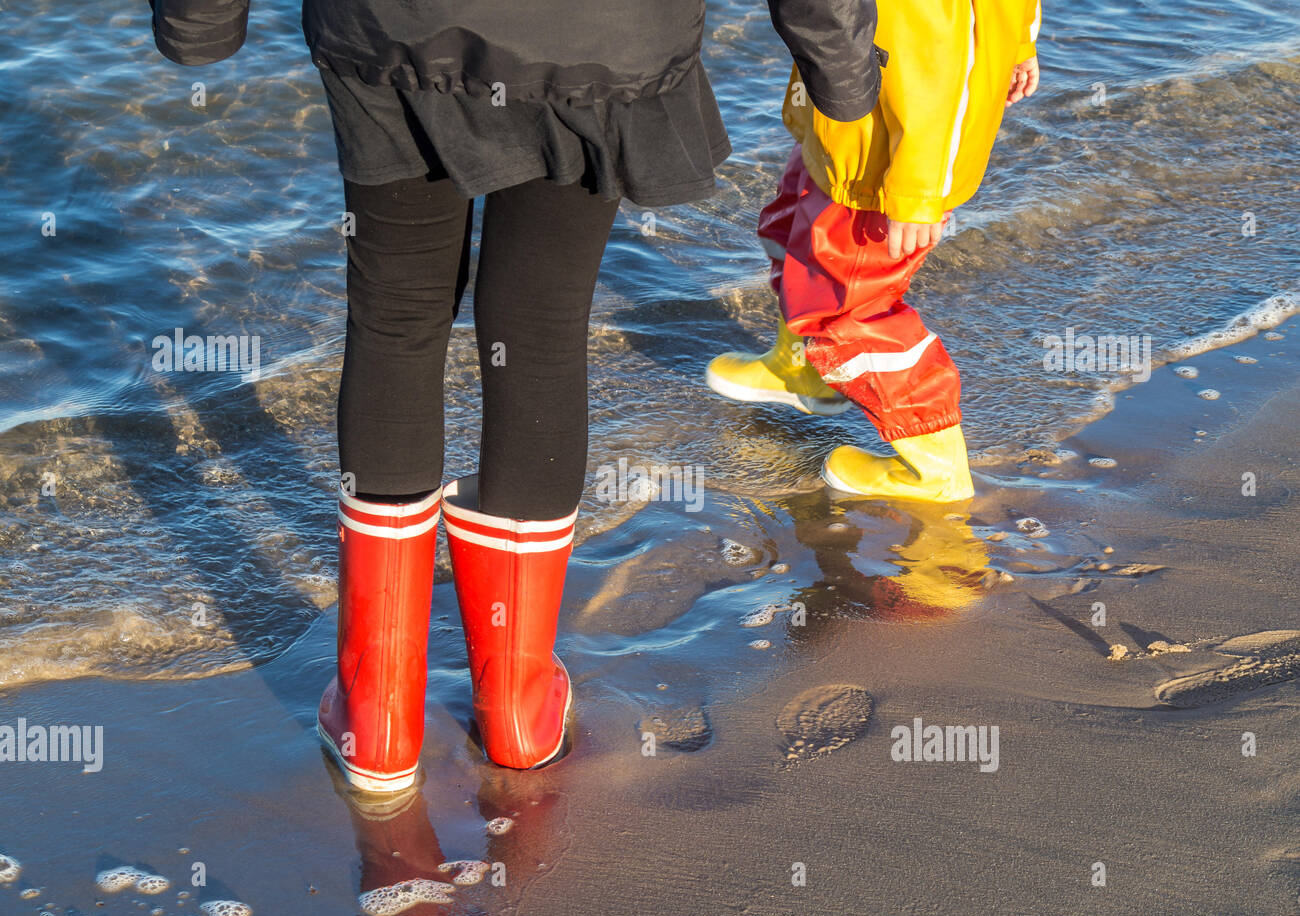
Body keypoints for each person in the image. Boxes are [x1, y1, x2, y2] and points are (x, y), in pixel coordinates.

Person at [146, 1, 883, 790]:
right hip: (601, 39)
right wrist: (841, 67)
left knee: (396, 318)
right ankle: (518, 710)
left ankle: (378, 717)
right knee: (540, 327)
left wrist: (202, 23)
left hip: (396, 27)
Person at [707, 1, 1043, 504]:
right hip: (848, 135)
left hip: (887, 168)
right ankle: (801, 367)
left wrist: (917, 195)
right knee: (795, 232)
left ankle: (935, 468)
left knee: (855, 308)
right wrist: (1019, 44)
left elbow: (940, 74)